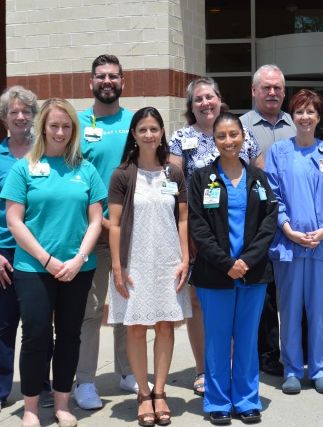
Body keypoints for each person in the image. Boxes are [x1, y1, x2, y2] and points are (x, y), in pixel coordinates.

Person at [1, 98, 106, 427]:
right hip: (33, 269)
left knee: (70, 335)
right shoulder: (24, 168)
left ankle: (62, 404)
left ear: (73, 130)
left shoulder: (84, 169)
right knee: (35, 336)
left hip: (78, 268)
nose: (60, 132)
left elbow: (96, 219)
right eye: (54, 125)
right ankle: (31, 408)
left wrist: (79, 258)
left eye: (66, 126)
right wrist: (46, 259)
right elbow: (14, 220)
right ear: (43, 127)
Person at [168, 77, 262, 396]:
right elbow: (176, 189)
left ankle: (231, 367)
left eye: (210, 97)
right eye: (198, 99)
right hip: (199, 235)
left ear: (220, 99)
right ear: (191, 106)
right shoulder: (181, 138)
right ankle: (202, 369)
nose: (205, 103)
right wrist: (187, 236)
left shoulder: (244, 137)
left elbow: (261, 186)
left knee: (234, 297)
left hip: (238, 237)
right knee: (198, 301)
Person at [188, 112, 278, 425]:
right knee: (216, 338)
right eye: (222, 136)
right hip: (216, 274)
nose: (229, 141)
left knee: (247, 337)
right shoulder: (201, 178)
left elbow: (269, 221)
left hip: (252, 273)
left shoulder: (258, 178)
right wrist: (227, 263)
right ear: (214, 141)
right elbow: (198, 227)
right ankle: (217, 402)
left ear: (243, 137)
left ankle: (246, 400)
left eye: (234, 135)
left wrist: (247, 260)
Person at [107, 107, 192, 427]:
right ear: (133, 134)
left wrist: (185, 259)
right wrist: (116, 267)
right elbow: (114, 225)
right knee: (136, 327)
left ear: (161, 133)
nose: (148, 134)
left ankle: (160, 392)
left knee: (166, 325)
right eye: (142, 129)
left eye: (154, 128)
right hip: (135, 262)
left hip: (168, 260)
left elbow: (183, 218)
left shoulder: (174, 172)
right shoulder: (122, 174)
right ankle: (143, 394)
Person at [265, 89, 323, 395]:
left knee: (318, 311)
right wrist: (287, 230)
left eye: (310, 112)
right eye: (299, 111)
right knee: (288, 310)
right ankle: (291, 369)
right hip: (289, 245)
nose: (304, 117)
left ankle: (317, 369)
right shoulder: (278, 152)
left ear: (318, 116)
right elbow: (272, 196)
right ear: (292, 116)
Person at [0, 86, 54, 416]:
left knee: (40, 323)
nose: (21, 116)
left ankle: (42, 384)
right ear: (4, 118)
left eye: (26, 111)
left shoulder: (48, 152)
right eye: (14, 112)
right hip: (8, 252)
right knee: (6, 322)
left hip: (42, 252)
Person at [75, 54, 137, 410]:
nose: (108, 81)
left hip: (131, 232)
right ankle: (85, 381)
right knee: (93, 310)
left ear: (122, 82)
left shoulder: (135, 122)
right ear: (92, 82)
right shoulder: (77, 123)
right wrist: (98, 224)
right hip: (94, 234)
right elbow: (74, 176)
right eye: (101, 76)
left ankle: (127, 371)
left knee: (128, 306)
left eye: (114, 75)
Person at [240, 64, 296, 377]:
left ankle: (295, 349)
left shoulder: (296, 124)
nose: (272, 93)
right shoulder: (240, 126)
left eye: (277, 88)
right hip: (256, 221)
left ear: (284, 92)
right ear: (254, 91)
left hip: (293, 221)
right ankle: (267, 353)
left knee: (291, 290)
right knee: (265, 293)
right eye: (266, 87)